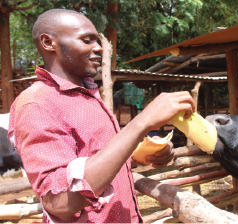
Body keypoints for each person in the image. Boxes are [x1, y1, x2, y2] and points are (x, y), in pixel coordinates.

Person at [8, 9, 195, 223]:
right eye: (87, 40)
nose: (98, 48)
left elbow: (96, 159)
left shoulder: (89, 96)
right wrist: (142, 122)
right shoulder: (37, 103)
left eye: (97, 41)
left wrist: (137, 156)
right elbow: (58, 202)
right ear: (49, 43)